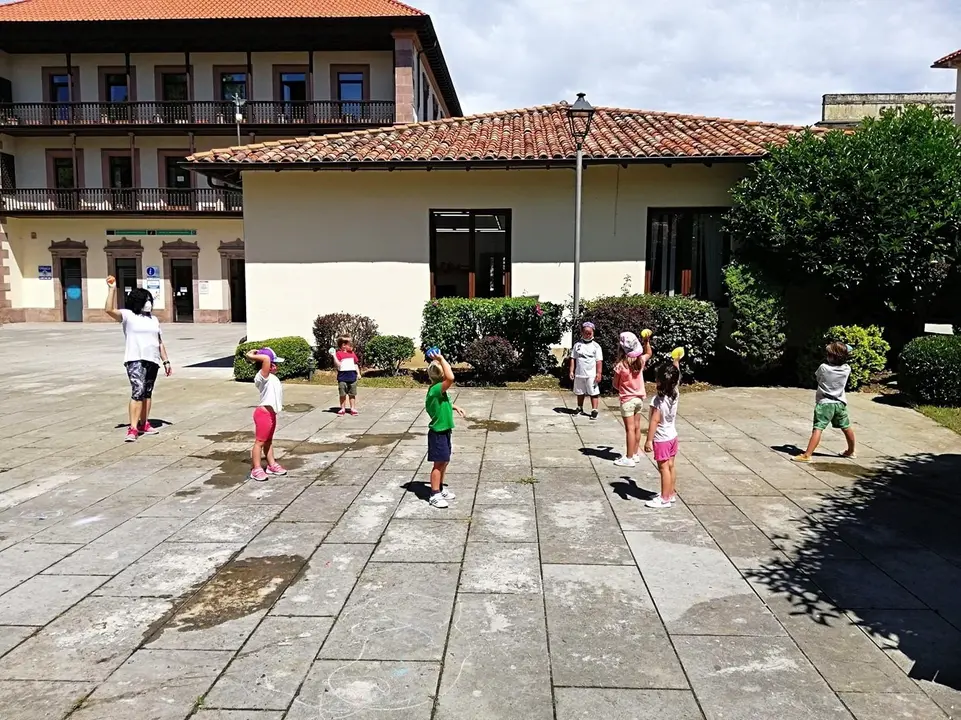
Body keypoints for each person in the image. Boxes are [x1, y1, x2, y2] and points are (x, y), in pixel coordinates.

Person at [104, 276, 171, 442]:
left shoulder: (153, 319)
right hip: (135, 359)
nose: (149, 303)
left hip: (152, 360)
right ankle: (133, 428)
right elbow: (109, 310)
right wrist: (112, 289)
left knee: (147, 392)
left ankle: (144, 423)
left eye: (149, 300)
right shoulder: (128, 316)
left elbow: (159, 341)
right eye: (145, 300)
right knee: (138, 390)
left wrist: (166, 361)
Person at [793, 341, 857, 462]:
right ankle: (851, 451)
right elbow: (848, 349)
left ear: (832, 356)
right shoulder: (847, 368)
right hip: (840, 403)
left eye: (828, 354)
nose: (827, 355)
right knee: (846, 427)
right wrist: (844, 349)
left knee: (818, 428)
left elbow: (818, 378)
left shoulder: (824, 368)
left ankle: (807, 455)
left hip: (825, 403)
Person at [424, 350, 466, 509]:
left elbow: (444, 403)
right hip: (438, 433)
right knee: (438, 464)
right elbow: (451, 378)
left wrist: (455, 407)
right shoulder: (436, 389)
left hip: (445, 431)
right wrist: (441, 359)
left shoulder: (439, 391)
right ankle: (434, 494)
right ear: (442, 376)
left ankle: (440, 488)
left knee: (445, 461)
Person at [643, 355, 682, 509]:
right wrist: (676, 362)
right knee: (671, 466)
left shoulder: (658, 400)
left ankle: (664, 499)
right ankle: (670, 493)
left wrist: (648, 440)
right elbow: (676, 377)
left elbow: (654, 421)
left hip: (662, 439)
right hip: (673, 436)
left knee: (663, 468)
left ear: (659, 381)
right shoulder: (675, 393)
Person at [244, 347, 288, 482]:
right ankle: (256, 468)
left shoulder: (271, 377)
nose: (275, 366)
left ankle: (271, 464)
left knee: (268, 441)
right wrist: (250, 355)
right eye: (273, 363)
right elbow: (266, 359)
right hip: (263, 414)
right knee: (260, 442)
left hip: (271, 414)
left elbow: (267, 360)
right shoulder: (262, 376)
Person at [612, 330, 652, 467]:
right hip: (639, 399)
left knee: (629, 429)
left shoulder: (621, 365)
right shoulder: (640, 361)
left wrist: (622, 387)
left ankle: (628, 458)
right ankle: (635, 454)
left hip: (627, 400)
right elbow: (649, 353)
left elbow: (615, 384)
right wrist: (646, 342)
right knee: (636, 427)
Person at [570, 321, 603, 418]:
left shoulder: (596, 347)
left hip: (591, 375)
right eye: (585, 333)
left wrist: (599, 373)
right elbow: (573, 358)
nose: (587, 335)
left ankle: (594, 410)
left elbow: (599, 361)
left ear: (593, 333)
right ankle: (579, 407)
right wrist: (571, 371)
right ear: (582, 332)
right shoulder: (577, 345)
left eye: (590, 333)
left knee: (593, 392)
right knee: (580, 391)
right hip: (579, 373)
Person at [330, 336, 360, 416]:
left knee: (352, 394)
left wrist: (358, 373)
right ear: (343, 345)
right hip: (342, 378)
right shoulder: (338, 354)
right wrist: (334, 356)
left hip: (352, 377)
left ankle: (352, 408)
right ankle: (342, 408)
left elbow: (355, 364)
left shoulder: (352, 354)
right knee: (342, 394)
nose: (352, 345)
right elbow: (338, 365)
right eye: (350, 344)